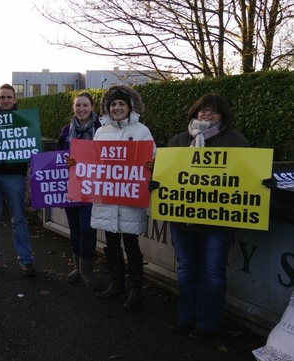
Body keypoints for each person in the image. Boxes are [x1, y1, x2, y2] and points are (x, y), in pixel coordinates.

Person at [162, 93, 250, 340]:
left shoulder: (235, 140)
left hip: (218, 222)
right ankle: (186, 317)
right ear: (195, 113)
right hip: (183, 220)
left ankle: (209, 324)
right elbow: (166, 174)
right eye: (203, 110)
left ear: (223, 116)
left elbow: (246, 175)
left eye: (214, 110)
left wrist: (260, 182)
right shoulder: (179, 141)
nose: (208, 114)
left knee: (212, 271)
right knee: (186, 269)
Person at [91, 85, 155, 310]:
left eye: (121, 104)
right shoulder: (101, 132)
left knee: (132, 245)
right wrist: (76, 164)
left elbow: (153, 159)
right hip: (108, 200)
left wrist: (151, 165)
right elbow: (92, 163)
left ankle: (137, 289)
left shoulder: (142, 131)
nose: (117, 107)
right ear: (108, 108)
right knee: (111, 244)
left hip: (129, 200)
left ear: (130, 107)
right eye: (113, 104)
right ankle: (117, 284)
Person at [0, 84, 36, 277]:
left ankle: (26, 260)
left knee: (19, 219)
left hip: (14, 178)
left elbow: (30, 150)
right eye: (2, 97)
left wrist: (8, 165)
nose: (6, 100)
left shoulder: (24, 121)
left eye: (9, 97)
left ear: (15, 99)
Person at [57, 92, 101, 289]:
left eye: (85, 105)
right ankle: (78, 267)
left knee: (87, 228)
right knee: (74, 228)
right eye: (78, 106)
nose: (81, 109)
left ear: (92, 107)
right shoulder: (66, 131)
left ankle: (87, 270)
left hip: (93, 187)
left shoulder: (101, 129)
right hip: (71, 186)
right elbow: (58, 158)